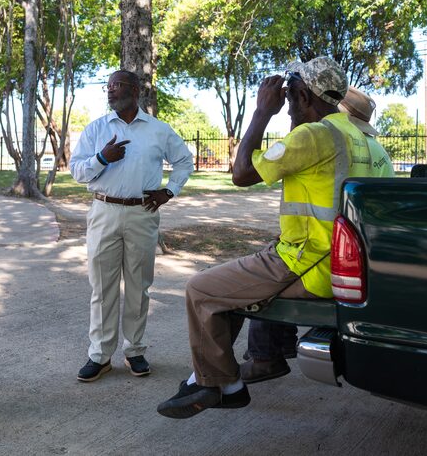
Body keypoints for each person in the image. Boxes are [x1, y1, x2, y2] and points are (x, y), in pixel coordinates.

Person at [157, 56, 375, 418]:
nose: (287, 106)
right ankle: (218, 376)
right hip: (336, 261)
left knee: (201, 289)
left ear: (305, 96)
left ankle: (221, 385)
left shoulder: (314, 134)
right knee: (228, 285)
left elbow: (241, 173)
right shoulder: (360, 138)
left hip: (304, 262)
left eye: (289, 97)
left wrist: (261, 113)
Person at [241, 85, 394, 383]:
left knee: (263, 275)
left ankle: (264, 356)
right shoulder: (375, 149)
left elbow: (245, 174)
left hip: (334, 252)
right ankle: (276, 346)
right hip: (368, 243)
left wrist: (265, 114)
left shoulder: (335, 141)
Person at [69, 70, 193, 382]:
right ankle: (99, 355)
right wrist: (102, 157)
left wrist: (169, 191)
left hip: (142, 213)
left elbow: (184, 161)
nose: (110, 92)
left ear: (135, 91)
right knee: (102, 287)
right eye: (108, 87)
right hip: (104, 211)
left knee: (139, 285)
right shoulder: (97, 129)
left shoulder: (157, 130)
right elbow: (77, 171)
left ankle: (135, 350)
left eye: (117, 86)